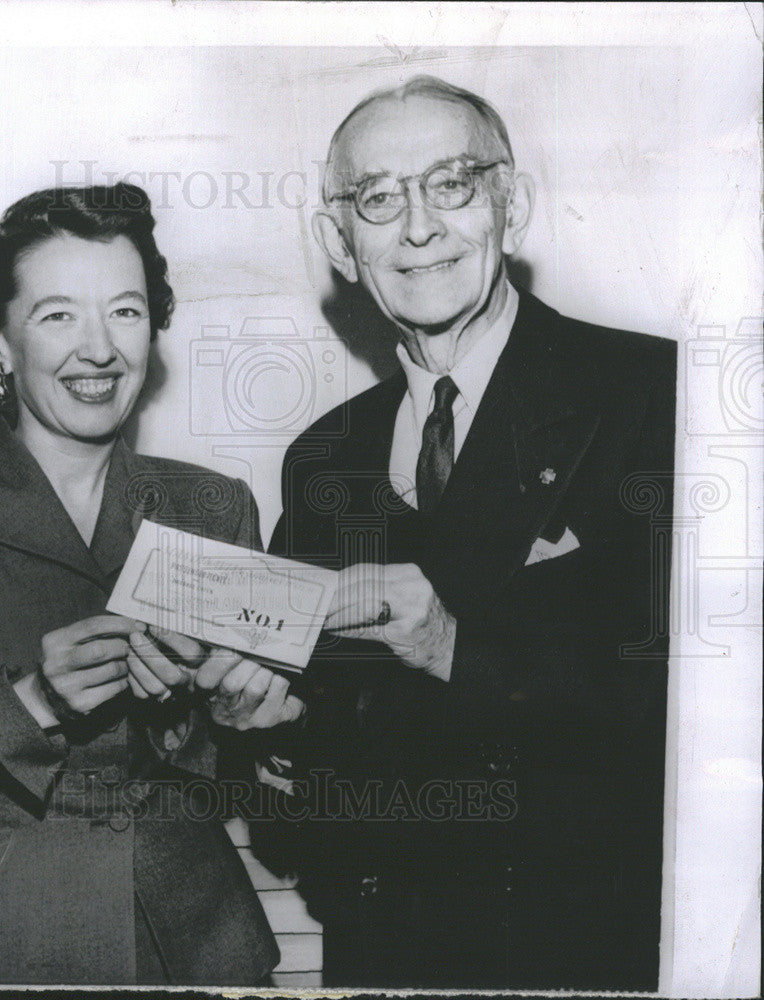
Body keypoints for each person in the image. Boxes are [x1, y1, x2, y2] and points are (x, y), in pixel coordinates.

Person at [256, 76, 676, 990]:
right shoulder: (324, 456)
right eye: (377, 198)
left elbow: (689, 711)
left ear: (511, 207)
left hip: (579, 948)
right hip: (380, 950)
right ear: (340, 242)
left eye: (451, 184)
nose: (417, 228)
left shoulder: (653, 396)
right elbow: (325, 728)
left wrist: (453, 646)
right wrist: (262, 721)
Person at [0, 183, 303, 985]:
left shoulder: (214, 504)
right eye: (58, 315)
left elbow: (237, 766)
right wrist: (26, 703)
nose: (100, 349)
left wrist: (251, 719)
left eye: (125, 312)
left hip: (199, 941)